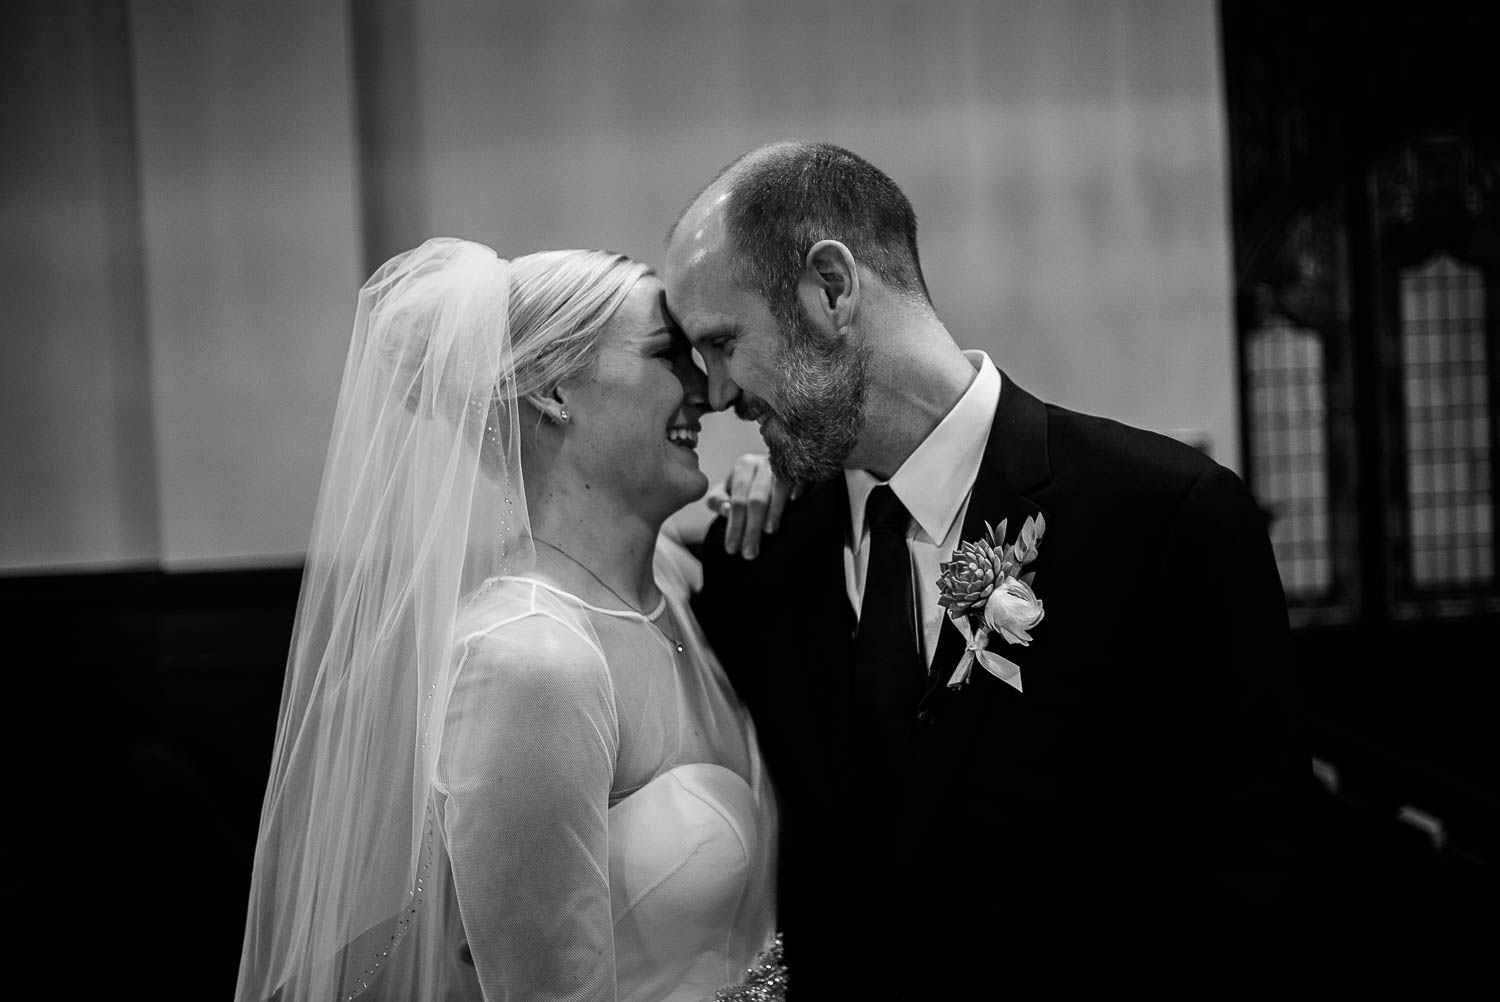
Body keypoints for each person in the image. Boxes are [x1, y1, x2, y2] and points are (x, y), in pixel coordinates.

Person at [667, 142, 1311, 994]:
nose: (713, 395)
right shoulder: (759, 556)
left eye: (722, 342)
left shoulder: (1166, 516)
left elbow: (1253, 876)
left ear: (831, 287)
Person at [235, 239, 785, 1002]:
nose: (709, 390)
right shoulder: (530, 660)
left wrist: (795, 490)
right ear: (553, 389)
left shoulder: (675, 591)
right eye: (669, 355)